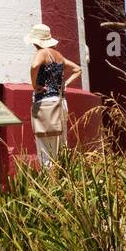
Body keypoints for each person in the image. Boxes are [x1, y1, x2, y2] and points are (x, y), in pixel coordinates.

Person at [26, 23, 82, 168]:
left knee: (46, 149)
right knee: (60, 146)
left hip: (46, 104)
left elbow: (34, 66)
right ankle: (63, 181)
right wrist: (65, 84)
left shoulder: (42, 52)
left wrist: (34, 85)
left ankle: (50, 184)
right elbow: (77, 69)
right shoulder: (58, 55)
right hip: (60, 102)